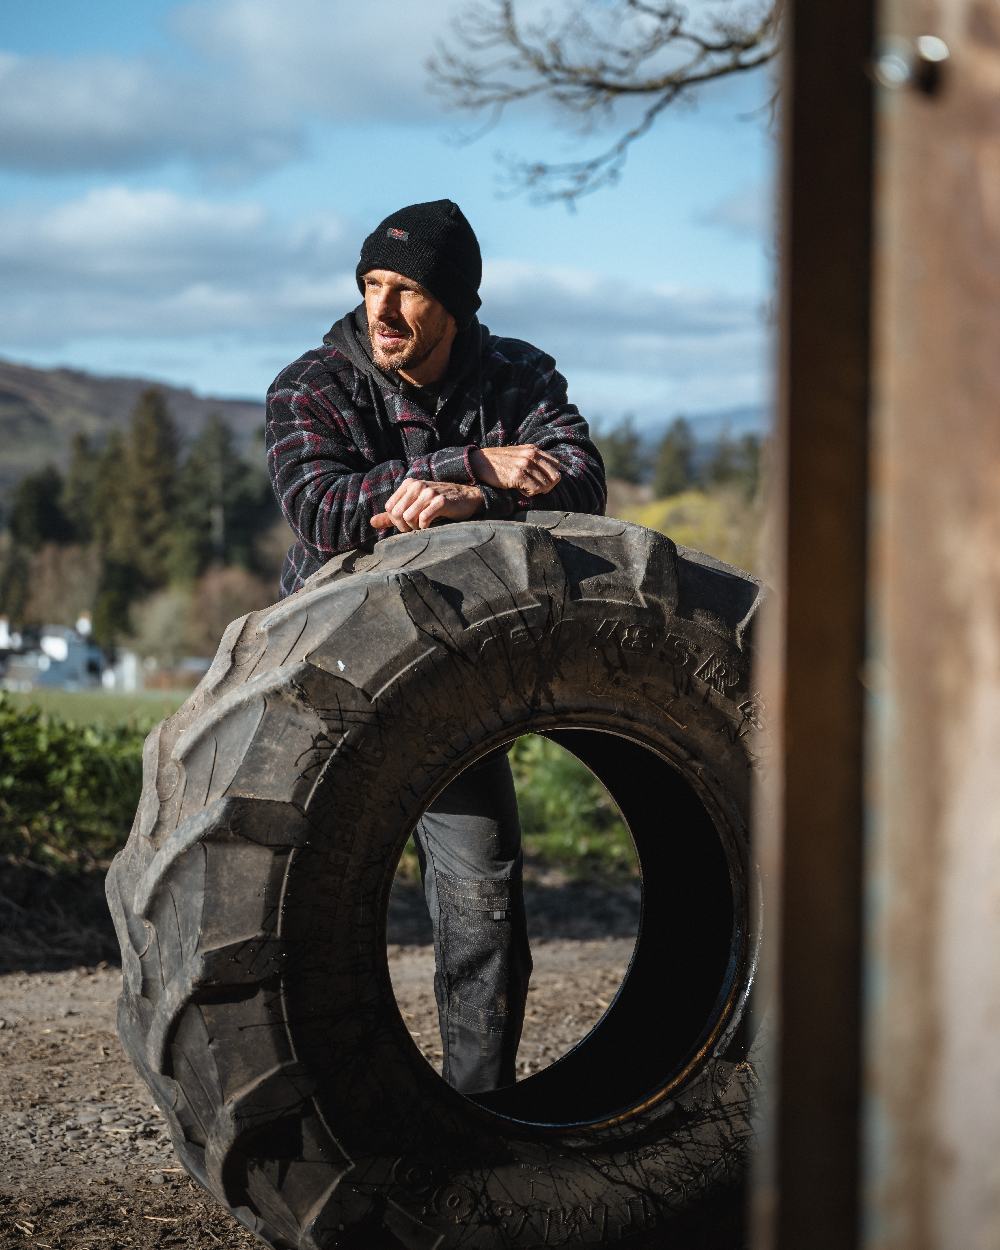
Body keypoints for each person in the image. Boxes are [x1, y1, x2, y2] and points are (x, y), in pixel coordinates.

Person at [265, 198, 606, 1093]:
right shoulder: (313, 385)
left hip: (456, 673)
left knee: (481, 895)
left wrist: (470, 502)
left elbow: (585, 483)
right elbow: (324, 508)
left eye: (406, 290)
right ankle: (323, 1111)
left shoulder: (517, 377)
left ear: (455, 304)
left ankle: (475, 1117)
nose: (381, 311)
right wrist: (467, 465)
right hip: (322, 672)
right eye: (371, 285)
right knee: (290, 900)